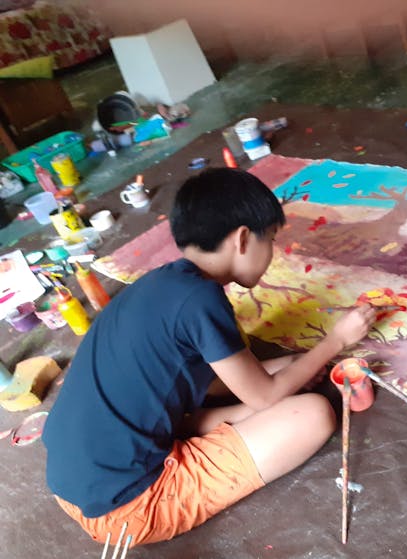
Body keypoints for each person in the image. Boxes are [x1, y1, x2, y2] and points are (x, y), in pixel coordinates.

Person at [42, 168, 376, 547]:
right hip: (127, 507)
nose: (272, 254)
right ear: (244, 239)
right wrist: (336, 340)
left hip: (84, 472)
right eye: (271, 240)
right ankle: (221, 425)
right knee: (313, 414)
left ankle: (225, 418)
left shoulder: (164, 282)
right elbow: (263, 397)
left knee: (288, 368)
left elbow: (204, 378)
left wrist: (291, 372)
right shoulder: (203, 300)